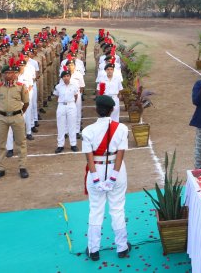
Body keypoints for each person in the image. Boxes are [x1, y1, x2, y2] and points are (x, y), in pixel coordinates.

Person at [82, 95, 130, 261]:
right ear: (112, 110)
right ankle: (122, 247)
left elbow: (89, 157)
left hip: (96, 169)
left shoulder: (87, 131)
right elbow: (120, 154)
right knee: (117, 209)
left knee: (95, 210)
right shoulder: (122, 129)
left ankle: (93, 250)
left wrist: (96, 178)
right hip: (116, 172)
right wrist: (113, 177)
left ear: (96, 110)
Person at [0, 65, 30, 180]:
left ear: (15, 74)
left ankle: (22, 167)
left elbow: (26, 103)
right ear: (2, 75)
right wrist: (0, 113)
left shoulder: (21, 87)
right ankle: (0, 168)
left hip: (17, 116)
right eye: (6, 73)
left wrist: (20, 112)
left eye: (11, 72)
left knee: (21, 142)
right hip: (2, 118)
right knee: (0, 144)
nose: (8, 75)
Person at [54, 70, 79, 153]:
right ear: (62, 78)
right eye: (64, 76)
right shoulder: (58, 86)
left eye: (68, 76)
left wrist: (70, 103)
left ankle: (73, 144)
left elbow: (76, 96)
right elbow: (56, 96)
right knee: (61, 125)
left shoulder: (74, 86)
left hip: (71, 105)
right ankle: (60, 145)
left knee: (72, 125)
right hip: (61, 105)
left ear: (70, 77)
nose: (66, 77)